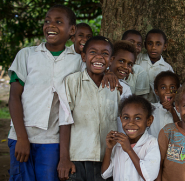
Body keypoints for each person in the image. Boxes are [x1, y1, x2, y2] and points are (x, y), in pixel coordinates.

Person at [7, 5, 81, 181]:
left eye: (58, 22)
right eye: (47, 21)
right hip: (20, 136)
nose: (50, 25)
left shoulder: (78, 61)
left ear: (72, 30)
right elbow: (14, 97)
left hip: (51, 141)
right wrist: (22, 138)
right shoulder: (27, 55)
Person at [61, 36, 118, 181]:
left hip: (107, 161)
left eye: (105, 54)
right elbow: (65, 121)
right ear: (84, 57)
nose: (99, 57)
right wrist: (64, 159)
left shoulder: (116, 87)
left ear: (111, 60)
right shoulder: (72, 82)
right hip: (77, 159)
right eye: (93, 52)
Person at [101, 95, 161, 181]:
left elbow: (148, 176)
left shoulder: (152, 143)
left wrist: (129, 150)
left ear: (149, 121)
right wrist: (109, 148)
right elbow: (105, 174)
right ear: (121, 119)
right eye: (126, 118)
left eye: (137, 118)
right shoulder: (119, 144)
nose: (131, 123)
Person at [136, 29, 173, 103]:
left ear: (165, 46)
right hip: (137, 103)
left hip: (157, 107)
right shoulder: (137, 59)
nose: (153, 47)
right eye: (150, 44)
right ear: (145, 45)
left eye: (158, 44)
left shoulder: (167, 68)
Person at [148, 71, 180, 138]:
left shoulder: (181, 111)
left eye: (172, 87)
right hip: (154, 147)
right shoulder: (151, 108)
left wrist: (173, 111)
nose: (168, 91)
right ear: (156, 91)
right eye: (163, 87)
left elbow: (181, 130)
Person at [122, 30, 150, 97]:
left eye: (139, 44)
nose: (135, 47)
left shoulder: (139, 71)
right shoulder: (111, 64)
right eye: (131, 42)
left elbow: (141, 99)